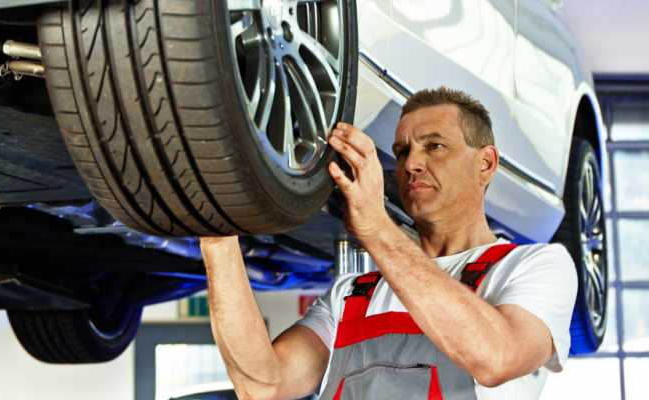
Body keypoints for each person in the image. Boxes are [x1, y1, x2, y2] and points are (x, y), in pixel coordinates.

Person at [200, 87, 577, 399]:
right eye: (402, 151)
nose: (411, 163)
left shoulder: (534, 267)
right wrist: (218, 238)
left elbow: (495, 358)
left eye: (435, 146)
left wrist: (378, 228)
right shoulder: (352, 296)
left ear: (486, 164)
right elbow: (263, 384)